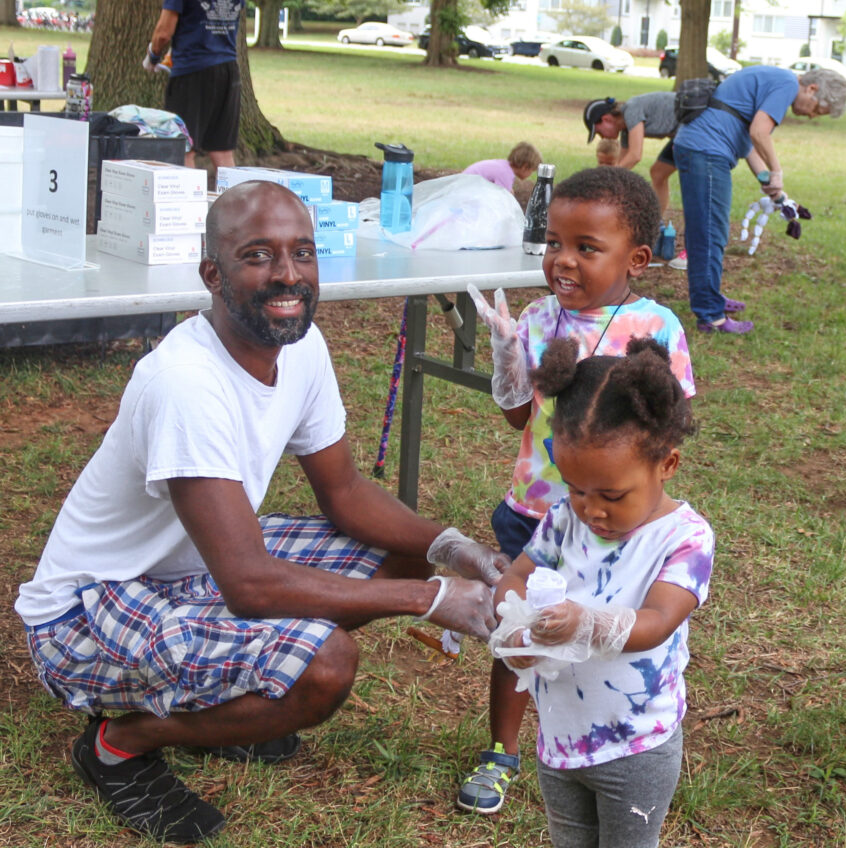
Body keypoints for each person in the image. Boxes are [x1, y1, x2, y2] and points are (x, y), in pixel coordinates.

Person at [15, 181, 508, 844]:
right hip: (89, 609)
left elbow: (347, 493)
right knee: (322, 667)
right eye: (258, 255)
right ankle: (120, 743)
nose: (287, 274)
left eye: (302, 253)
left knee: (405, 548)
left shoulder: (300, 348)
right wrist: (430, 597)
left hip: (194, 566)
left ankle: (224, 704)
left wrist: (453, 548)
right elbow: (247, 583)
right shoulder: (186, 381)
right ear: (212, 275)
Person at [458, 167, 695, 814]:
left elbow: (667, 424)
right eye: (554, 241)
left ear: (636, 258)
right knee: (521, 633)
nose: (562, 259)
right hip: (534, 513)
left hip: (614, 523)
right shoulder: (539, 318)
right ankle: (502, 751)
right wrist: (509, 359)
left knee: (594, 632)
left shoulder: (657, 329)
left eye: (586, 248)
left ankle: (598, 739)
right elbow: (516, 415)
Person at [489, 335, 714, 848]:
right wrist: (515, 625)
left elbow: (658, 621)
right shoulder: (566, 519)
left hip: (636, 744)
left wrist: (585, 622)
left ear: (667, 464)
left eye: (612, 495)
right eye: (575, 487)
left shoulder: (685, 538)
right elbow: (517, 575)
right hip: (560, 734)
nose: (591, 510)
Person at [673, 65, 846, 335]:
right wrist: (778, 170)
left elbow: (748, 145)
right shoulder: (788, 84)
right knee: (710, 234)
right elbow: (759, 133)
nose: (812, 116)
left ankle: (711, 298)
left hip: (702, 149)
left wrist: (779, 196)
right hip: (705, 152)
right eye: (817, 109)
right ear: (811, 89)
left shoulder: (775, 81)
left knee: (711, 232)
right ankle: (711, 316)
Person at [583, 94, 686, 274]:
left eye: (599, 132)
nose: (602, 138)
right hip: (681, 132)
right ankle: (654, 227)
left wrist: (605, 179)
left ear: (607, 119)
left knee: (692, 183)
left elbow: (635, 155)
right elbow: (621, 171)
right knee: (658, 173)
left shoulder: (631, 110)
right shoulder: (625, 129)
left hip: (696, 126)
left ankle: (692, 251)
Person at [143, 0, 244, 173]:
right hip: (228, 70)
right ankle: (234, 199)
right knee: (222, 151)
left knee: (183, 149)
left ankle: (189, 200)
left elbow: (163, 33)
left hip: (192, 72)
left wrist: (153, 55)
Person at [463, 141, 543, 193]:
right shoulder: (505, 174)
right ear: (525, 167)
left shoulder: (503, 166)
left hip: (464, 185)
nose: (531, 174)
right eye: (532, 170)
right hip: (466, 190)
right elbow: (502, 200)